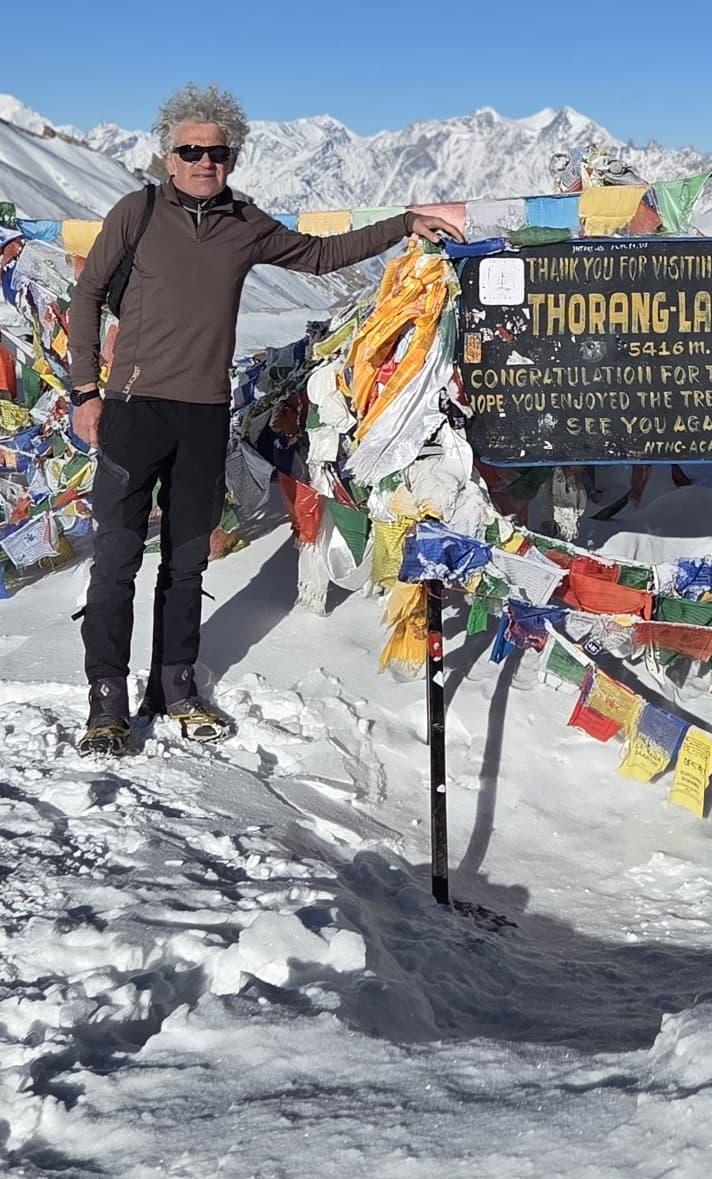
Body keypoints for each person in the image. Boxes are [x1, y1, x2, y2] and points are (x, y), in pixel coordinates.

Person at [67, 82, 463, 758]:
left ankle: (175, 687)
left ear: (232, 158)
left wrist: (402, 224)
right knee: (116, 561)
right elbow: (86, 295)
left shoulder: (243, 223)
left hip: (202, 416)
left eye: (216, 153)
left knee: (187, 561)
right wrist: (85, 391)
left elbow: (317, 254)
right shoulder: (137, 211)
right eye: (190, 150)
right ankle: (106, 699)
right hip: (133, 411)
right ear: (167, 155)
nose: (203, 162)